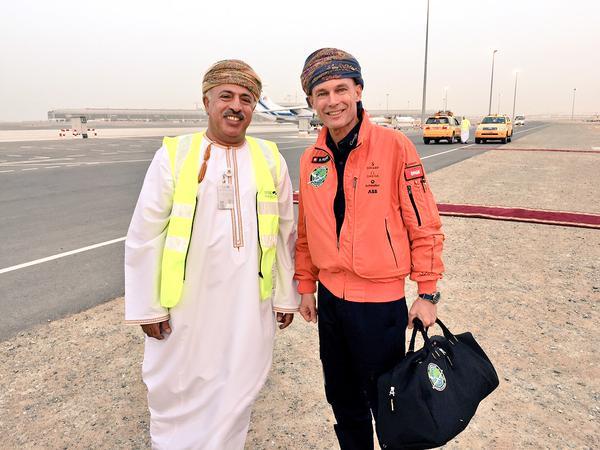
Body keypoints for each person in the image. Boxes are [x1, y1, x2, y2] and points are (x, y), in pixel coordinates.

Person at [124, 59, 299, 449]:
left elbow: (287, 232)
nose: (236, 106)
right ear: (207, 102)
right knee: (177, 388)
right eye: (226, 96)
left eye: (246, 99)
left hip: (247, 304)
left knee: (239, 387)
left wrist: (287, 296)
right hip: (186, 304)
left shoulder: (270, 157)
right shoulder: (175, 154)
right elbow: (145, 234)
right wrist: (148, 307)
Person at [295, 48, 445, 450]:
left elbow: (424, 223)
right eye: (321, 93)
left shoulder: (395, 147)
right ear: (311, 101)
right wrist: (306, 285)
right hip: (331, 302)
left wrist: (427, 292)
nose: (332, 101)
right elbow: (306, 230)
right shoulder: (311, 159)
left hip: (380, 305)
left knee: (389, 402)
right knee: (343, 399)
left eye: (340, 89)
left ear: (358, 91)